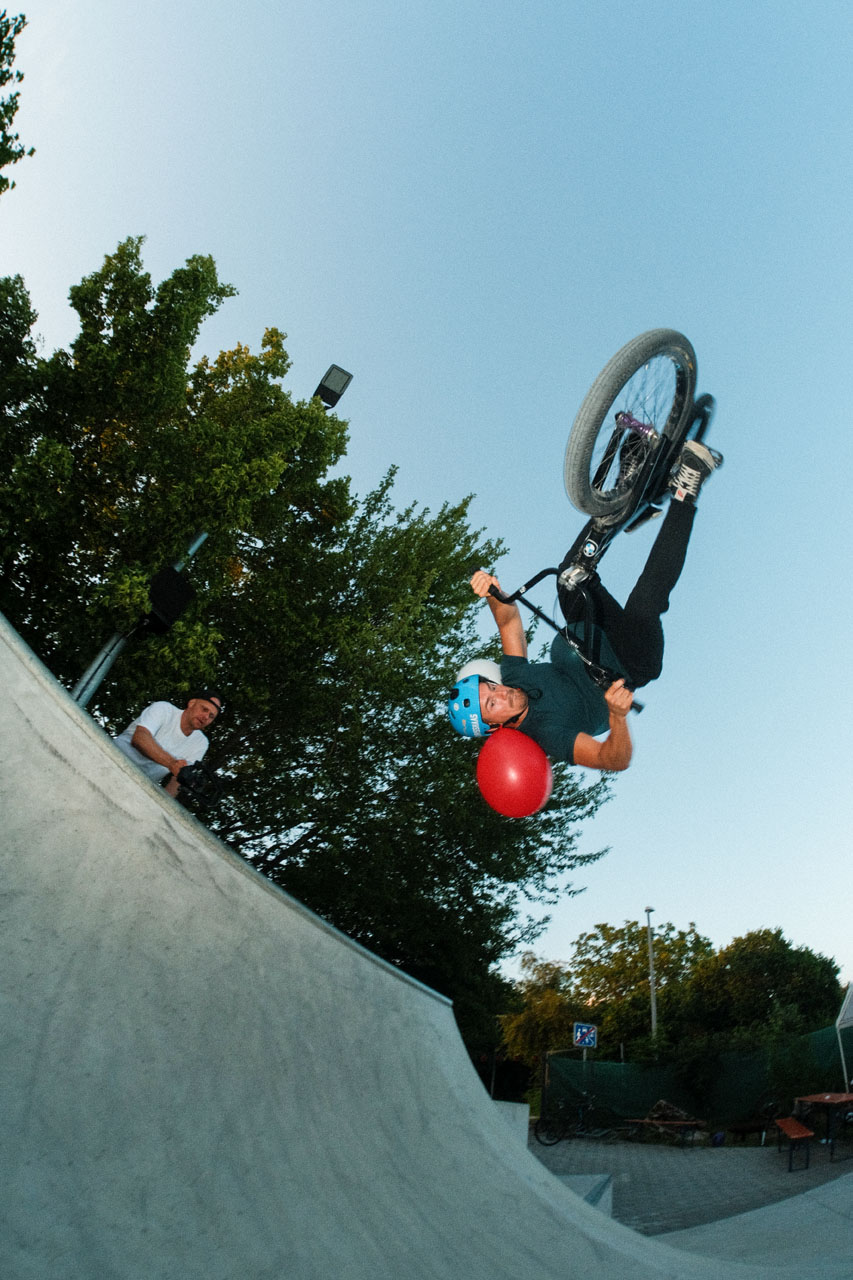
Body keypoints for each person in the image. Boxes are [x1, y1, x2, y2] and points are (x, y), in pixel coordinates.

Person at [448, 440, 722, 773]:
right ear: (495, 728)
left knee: (569, 578)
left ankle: (631, 489)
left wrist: (490, 591)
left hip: (594, 632)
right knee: (644, 602)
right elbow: (613, 759)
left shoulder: (514, 677)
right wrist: (618, 717)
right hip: (630, 661)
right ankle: (686, 490)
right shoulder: (547, 735)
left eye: (492, 687)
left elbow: (508, 623)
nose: (502, 693)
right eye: (493, 703)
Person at [114, 693, 223, 796]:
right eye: (204, 709)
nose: (206, 717)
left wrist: (162, 807)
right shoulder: (164, 709)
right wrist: (172, 764)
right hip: (110, 758)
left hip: (137, 788)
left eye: (211, 716)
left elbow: (179, 780)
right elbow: (140, 738)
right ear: (192, 703)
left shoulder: (201, 743)